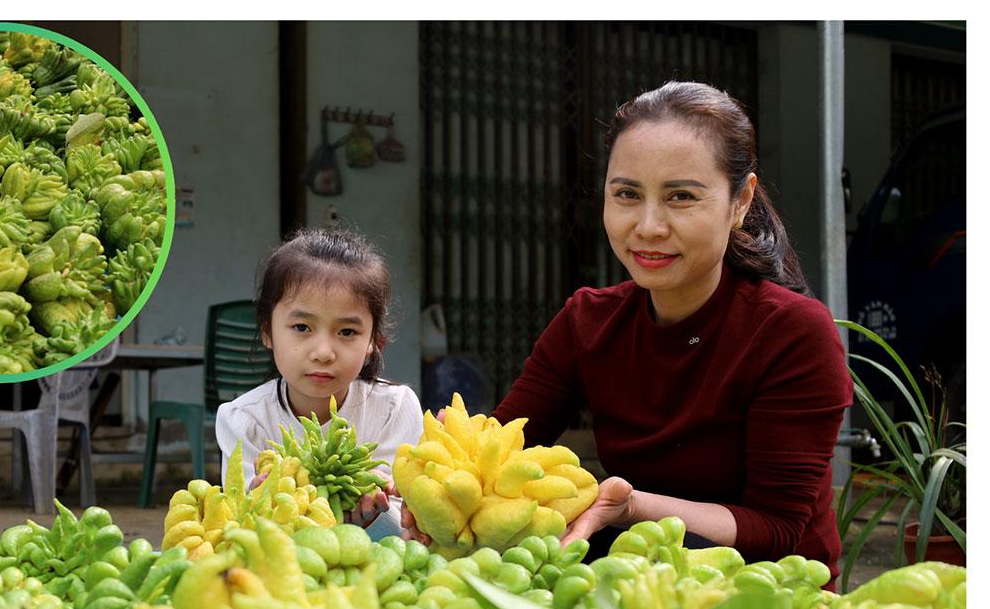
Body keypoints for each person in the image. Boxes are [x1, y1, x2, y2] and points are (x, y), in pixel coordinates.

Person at [402, 81, 853, 579]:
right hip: (635, 580)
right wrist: (444, 489)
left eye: (681, 196)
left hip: (774, 596)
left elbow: (776, 526)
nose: (648, 226)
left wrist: (633, 505)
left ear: (740, 201)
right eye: (627, 194)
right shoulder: (586, 322)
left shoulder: (792, 332)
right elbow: (507, 450)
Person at [215, 228, 424, 529]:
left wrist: (381, 510)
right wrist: (261, 505)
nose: (323, 353)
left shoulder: (394, 409)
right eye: (302, 327)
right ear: (267, 331)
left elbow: (408, 525)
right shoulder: (243, 420)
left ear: (372, 341)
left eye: (347, 332)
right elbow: (244, 525)